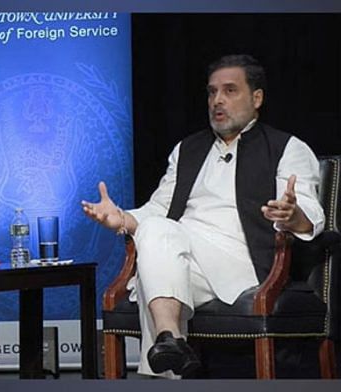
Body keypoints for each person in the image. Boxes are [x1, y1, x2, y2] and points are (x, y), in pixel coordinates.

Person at [81, 54, 324, 378]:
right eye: (211, 92)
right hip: (183, 255)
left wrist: (293, 215)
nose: (217, 100)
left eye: (229, 90)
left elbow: (308, 209)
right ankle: (170, 340)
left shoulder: (286, 147)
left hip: (242, 260)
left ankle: (165, 357)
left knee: (156, 251)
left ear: (257, 98)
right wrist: (121, 218)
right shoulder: (187, 150)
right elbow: (157, 209)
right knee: (158, 246)